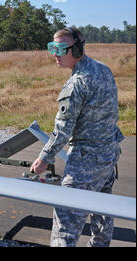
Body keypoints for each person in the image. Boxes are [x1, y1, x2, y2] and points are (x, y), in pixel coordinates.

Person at [30, 26, 124, 247]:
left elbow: (63, 130)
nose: (55, 54)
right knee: (102, 214)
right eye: (52, 47)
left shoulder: (76, 84)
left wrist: (44, 158)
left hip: (85, 161)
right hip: (108, 156)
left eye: (61, 48)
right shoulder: (103, 70)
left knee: (65, 224)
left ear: (78, 49)